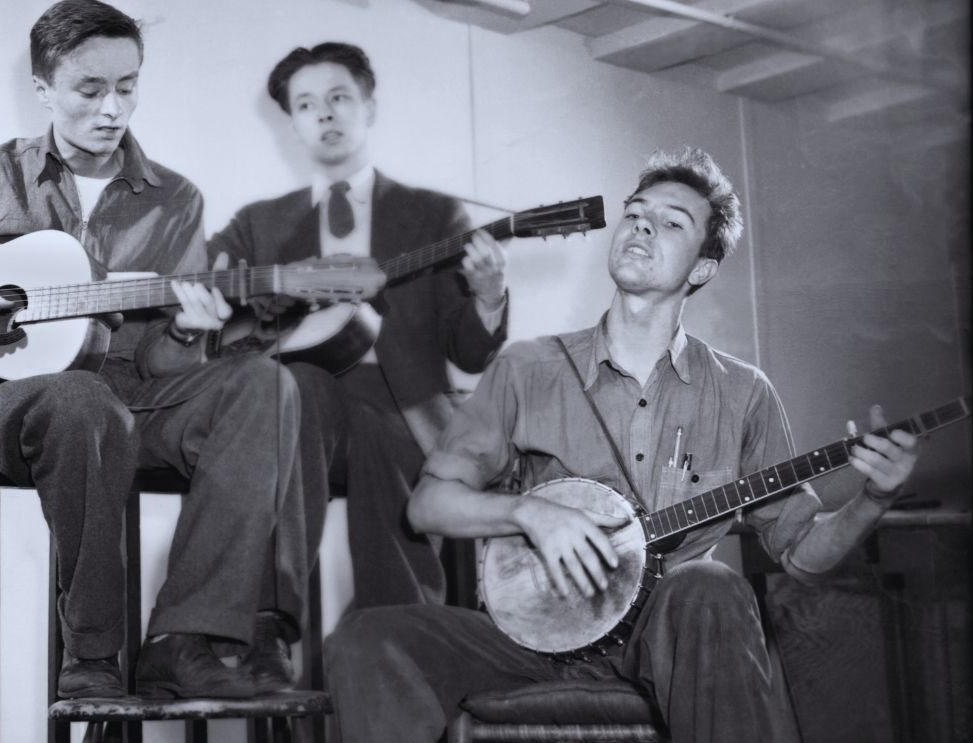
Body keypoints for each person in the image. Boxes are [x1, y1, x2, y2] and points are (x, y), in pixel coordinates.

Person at [0, 0, 324, 700]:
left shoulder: (175, 199)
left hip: (134, 401)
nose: (113, 109)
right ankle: (93, 654)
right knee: (82, 398)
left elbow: (162, 366)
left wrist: (185, 331)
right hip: (12, 402)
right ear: (43, 89)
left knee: (264, 382)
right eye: (90, 89)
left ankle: (183, 640)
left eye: (128, 87)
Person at [324, 147, 921, 742]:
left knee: (709, 585)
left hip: (667, 639)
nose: (642, 225)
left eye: (672, 222)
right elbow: (428, 506)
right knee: (366, 638)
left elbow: (802, 556)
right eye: (636, 212)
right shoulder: (528, 367)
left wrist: (873, 499)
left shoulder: (743, 394)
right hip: (528, 641)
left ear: (702, 269)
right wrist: (528, 513)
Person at [208, 42, 509, 608]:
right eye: (305, 105)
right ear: (292, 125)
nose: (324, 114)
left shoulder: (433, 215)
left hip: (402, 408)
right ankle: (272, 619)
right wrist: (267, 302)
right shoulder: (260, 224)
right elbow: (208, 290)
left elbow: (468, 354)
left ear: (369, 107)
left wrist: (489, 296)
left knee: (374, 420)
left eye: (339, 98)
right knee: (301, 389)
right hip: (294, 404)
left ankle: (394, 625)